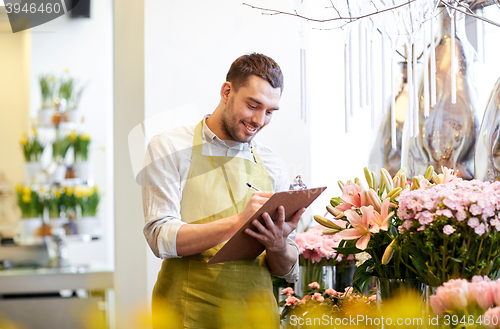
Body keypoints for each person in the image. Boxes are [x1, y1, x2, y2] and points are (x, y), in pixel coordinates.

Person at [141, 53, 305, 328]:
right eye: (253, 105)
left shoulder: (273, 164)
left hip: (256, 317)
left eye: (269, 112)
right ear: (227, 91)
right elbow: (160, 238)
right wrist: (239, 222)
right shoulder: (169, 147)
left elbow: (286, 270)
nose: (260, 120)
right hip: (187, 315)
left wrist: (278, 245)